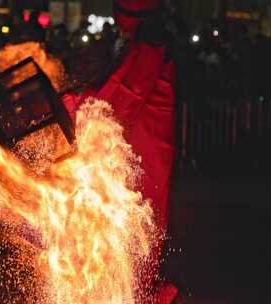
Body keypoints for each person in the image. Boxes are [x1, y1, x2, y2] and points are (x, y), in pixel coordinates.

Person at [63, 0, 179, 303]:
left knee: (137, 237)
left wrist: (76, 105)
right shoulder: (140, 47)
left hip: (145, 156)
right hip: (136, 152)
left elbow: (122, 98)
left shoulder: (150, 51)